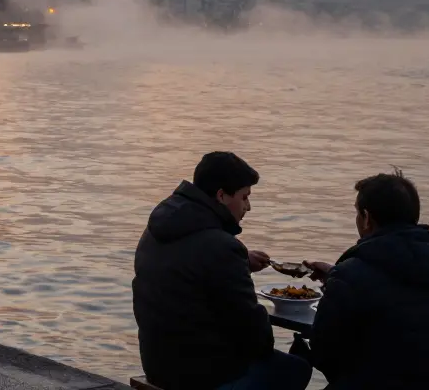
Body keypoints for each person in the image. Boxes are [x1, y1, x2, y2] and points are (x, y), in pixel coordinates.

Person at [133, 151, 311, 390]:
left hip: (157, 364)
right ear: (222, 195)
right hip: (201, 376)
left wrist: (241, 262)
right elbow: (257, 337)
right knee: (297, 368)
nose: (249, 206)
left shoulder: (158, 228)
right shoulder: (222, 248)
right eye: (245, 197)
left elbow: (186, 265)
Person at [302, 171, 429, 389]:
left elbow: (324, 354)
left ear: (366, 218)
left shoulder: (351, 274)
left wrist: (341, 279)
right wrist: (336, 279)